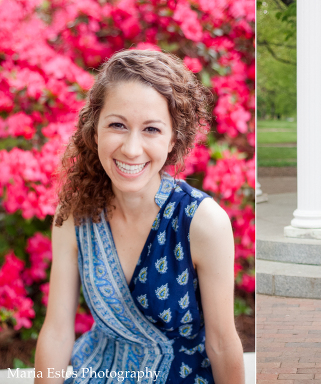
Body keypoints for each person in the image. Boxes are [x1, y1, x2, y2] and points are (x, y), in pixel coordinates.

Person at [35, 50, 245, 383]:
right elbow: (58, 331)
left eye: (151, 129)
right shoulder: (74, 216)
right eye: (117, 125)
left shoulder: (202, 223)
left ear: (173, 137)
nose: (132, 149)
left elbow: (221, 343)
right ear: (95, 129)